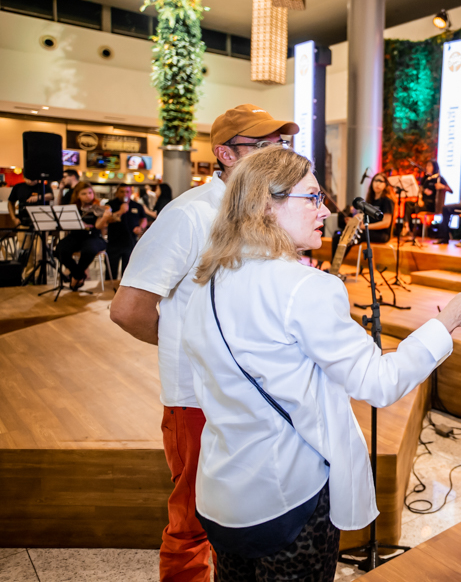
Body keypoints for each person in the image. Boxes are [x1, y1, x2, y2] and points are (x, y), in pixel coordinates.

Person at [178, 146, 461, 579]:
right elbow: (379, 383)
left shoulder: (207, 281)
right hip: (287, 498)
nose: (325, 210)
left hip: (223, 495)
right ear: (266, 206)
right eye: (313, 197)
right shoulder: (305, 287)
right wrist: (450, 320)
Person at [109, 104, 298, 582]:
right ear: (225, 154)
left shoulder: (264, 213)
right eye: (262, 147)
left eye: (280, 146)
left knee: (243, 514)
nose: (275, 156)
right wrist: (197, 348)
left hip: (253, 393)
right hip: (197, 398)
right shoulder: (190, 214)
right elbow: (128, 308)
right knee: (193, 523)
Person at [55, 181, 111, 290]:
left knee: (89, 250)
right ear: (78, 195)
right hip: (75, 236)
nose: (88, 196)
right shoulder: (73, 207)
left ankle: (75, 277)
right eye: (84, 194)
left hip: (93, 236)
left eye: (90, 193)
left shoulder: (98, 207)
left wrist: (104, 217)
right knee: (60, 249)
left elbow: (98, 226)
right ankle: (79, 275)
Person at [106, 185, 146, 279]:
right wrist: (121, 211)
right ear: (117, 193)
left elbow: (143, 219)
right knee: (111, 270)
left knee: (128, 271)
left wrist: (140, 228)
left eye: (127, 192)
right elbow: (107, 219)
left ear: (130, 193)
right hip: (114, 242)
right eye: (122, 191)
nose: (125, 194)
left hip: (130, 242)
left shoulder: (137, 206)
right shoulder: (110, 204)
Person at [359, 172, 395, 244]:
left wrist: (366, 226)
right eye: (375, 180)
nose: (377, 184)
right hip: (369, 231)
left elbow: (386, 223)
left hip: (381, 234)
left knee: (356, 235)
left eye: (380, 181)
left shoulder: (387, 200)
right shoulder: (370, 200)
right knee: (339, 234)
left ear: (386, 185)